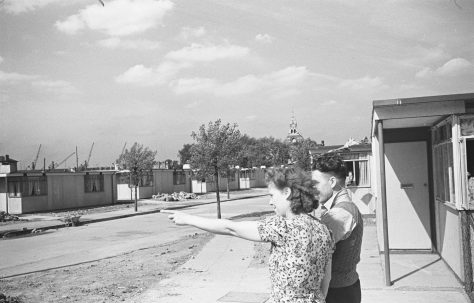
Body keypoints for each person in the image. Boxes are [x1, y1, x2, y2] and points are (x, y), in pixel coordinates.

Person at [163, 167, 334, 303]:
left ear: (286, 193)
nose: (270, 201)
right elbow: (326, 280)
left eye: (272, 195)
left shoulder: (283, 227)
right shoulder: (324, 230)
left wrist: (188, 219)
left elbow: (231, 228)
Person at [311, 153, 363, 303]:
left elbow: (310, 249)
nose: (313, 189)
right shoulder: (342, 209)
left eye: (316, 184)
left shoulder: (340, 214)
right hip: (343, 289)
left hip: (337, 293)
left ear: (332, 182)